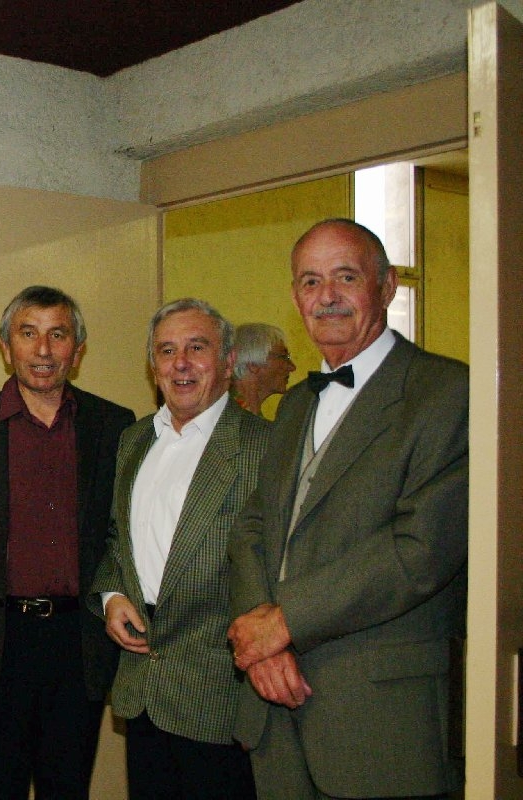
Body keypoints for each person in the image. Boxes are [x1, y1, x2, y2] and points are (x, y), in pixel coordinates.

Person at [227, 219, 468, 799]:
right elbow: (254, 529)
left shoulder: (446, 393)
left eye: (346, 277)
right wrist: (262, 642)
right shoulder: (295, 407)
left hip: (382, 724)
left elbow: (421, 551)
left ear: (385, 287)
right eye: (311, 281)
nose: (327, 295)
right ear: (295, 297)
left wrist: (282, 624)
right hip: (277, 714)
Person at [0, 285, 134, 800]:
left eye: (58, 335)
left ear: (78, 349)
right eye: (28, 334)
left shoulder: (114, 427)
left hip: (78, 645)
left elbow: (121, 537)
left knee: (67, 790)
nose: (43, 350)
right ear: (6, 346)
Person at [90, 298, 267, 799]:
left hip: (220, 697)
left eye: (197, 347)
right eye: (167, 350)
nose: (181, 363)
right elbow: (114, 543)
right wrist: (112, 598)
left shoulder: (265, 448)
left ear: (229, 362)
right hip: (142, 689)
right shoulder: (134, 441)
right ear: (153, 366)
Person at [230, 322, 296, 417]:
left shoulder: (242, 415)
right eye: (283, 357)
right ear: (253, 365)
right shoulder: (231, 418)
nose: (292, 367)